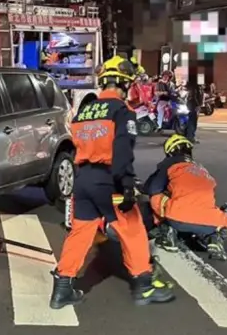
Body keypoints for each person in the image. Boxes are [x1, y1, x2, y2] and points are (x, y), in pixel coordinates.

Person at [50, 56, 175, 309]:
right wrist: (127, 185)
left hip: (82, 178)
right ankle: (144, 286)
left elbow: (76, 144)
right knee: (133, 229)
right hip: (108, 180)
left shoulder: (84, 111)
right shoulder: (122, 111)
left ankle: (62, 288)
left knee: (80, 233)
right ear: (123, 84)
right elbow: (121, 153)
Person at [144, 135, 227, 260]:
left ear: (170, 153)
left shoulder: (170, 164)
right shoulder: (202, 169)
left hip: (178, 218)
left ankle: (167, 230)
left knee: (156, 197)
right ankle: (213, 238)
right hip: (212, 222)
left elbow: (152, 189)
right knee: (204, 203)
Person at [185, 78, 204, 143]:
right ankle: (190, 137)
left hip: (192, 105)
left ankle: (191, 136)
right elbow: (194, 96)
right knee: (192, 121)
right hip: (193, 105)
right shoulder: (195, 87)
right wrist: (198, 105)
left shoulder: (196, 86)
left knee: (192, 121)